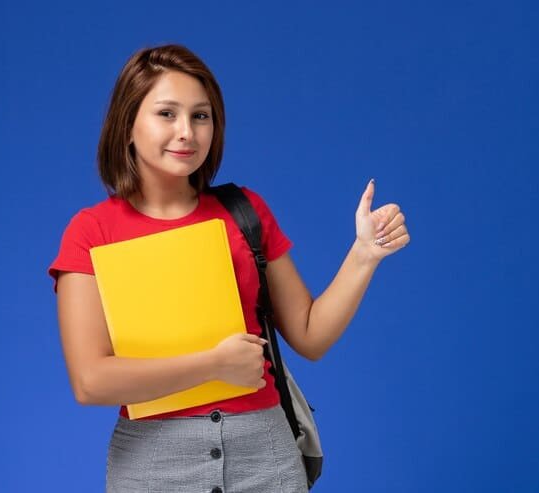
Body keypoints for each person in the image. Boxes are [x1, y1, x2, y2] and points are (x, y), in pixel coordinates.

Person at [47, 44, 410, 493]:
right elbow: (90, 381)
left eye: (201, 116)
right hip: (153, 462)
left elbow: (310, 336)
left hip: (265, 453)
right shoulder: (92, 231)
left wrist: (364, 254)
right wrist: (215, 364)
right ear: (127, 125)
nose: (187, 132)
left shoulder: (244, 211)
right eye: (167, 114)